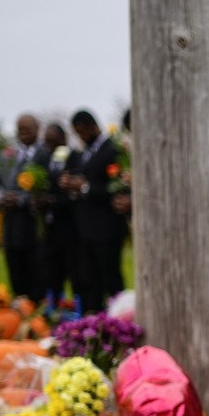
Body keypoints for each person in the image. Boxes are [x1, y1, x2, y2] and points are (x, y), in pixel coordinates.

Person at [59, 110, 125, 312]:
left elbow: (116, 188)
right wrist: (68, 185)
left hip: (107, 227)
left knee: (110, 276)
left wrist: (86, 187)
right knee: (89, 279)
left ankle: (119, 318)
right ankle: (92, 319)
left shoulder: (112, 150)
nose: (80, 137)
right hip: (83, 228)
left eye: (82, 132)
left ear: (92, 127)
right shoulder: (79, 154)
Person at [0, 114, 46, 301]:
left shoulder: (44, 154)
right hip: (11, 225)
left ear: (37, 129)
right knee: (15, 268)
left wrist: (20, 200)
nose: (23, 134)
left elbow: (46, 187)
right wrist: (1, 198)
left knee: (36, 272)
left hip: (34, 224)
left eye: (27, 130)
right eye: (20, 130)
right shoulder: (7, 155)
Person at [36, 123, 78, 303]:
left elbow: (74, 195)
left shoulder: (74, 157)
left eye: (53, 142)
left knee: (74, 271)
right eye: (46, 143)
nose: (49, 146)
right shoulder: (44, 160)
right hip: (49, 228)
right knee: (51, 271)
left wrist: (53, 201)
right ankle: (54, 307)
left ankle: (78, 308)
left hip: (69, 227)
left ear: (63, 139)